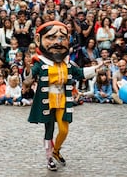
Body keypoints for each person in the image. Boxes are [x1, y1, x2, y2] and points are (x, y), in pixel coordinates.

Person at [27, 21, 101, 171]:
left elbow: (80, 73)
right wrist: (28, 78)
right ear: (38, 40)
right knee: (49, 131)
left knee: (64, 129)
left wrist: (96, 68)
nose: (58, 42)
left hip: (62, 100)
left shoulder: (67, 63)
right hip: (47, 102)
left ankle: (56, 151)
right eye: (51, 37)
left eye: (62, 37)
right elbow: (29, 77)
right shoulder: (40, 63)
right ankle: (49, 158)